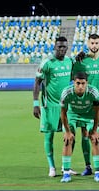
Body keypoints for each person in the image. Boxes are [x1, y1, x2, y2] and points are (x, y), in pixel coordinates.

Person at [32, 36, 73, 177]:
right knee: (49, 136)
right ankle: (51, 167)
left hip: (65, 105)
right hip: (49, 105)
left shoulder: (69, 61)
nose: (62, 49)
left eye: (64, 47)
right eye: (59, 47)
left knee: (69, 135)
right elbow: (37, 82)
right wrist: (35, 103)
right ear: (55, 47)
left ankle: (65, 166)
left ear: (67, 48)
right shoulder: (47, 63)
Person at [72, 33, 99, 176]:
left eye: (96, 43)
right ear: (88, 44)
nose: (94, 46)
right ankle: (88, 166)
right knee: (85, 135)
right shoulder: (81, 61)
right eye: (92, 43)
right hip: (85, 104)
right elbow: (74, 79)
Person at [59, 71, 99, 183]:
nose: (80, 86)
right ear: (73, 83)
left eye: (83, 83)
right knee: (68, 140)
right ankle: (66, 173)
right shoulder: (66, 92)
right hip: (72, 116)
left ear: (87, 83)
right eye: (78, 83)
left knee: (95, 139)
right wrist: (68, 132)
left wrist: (94, 130)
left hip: (89, 116)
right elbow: (63, 113)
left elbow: (97, 112)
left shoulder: (93, 92)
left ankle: (97, 173)